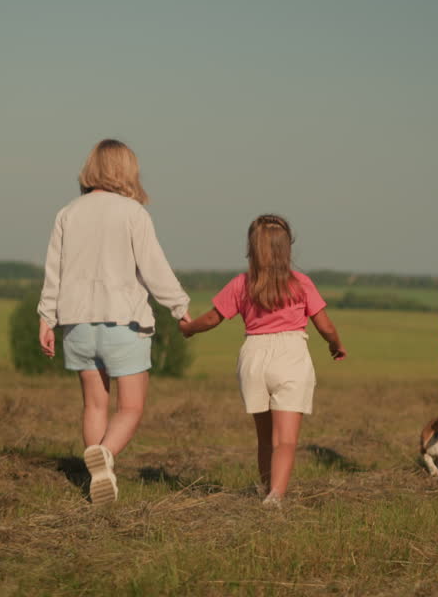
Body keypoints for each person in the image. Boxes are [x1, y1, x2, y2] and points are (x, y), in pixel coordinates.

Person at [37, 139, 191, 505]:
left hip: (76, 324)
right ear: (127, 171)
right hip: (124, 324)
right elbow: (154, 269)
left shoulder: (67, 213)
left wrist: (46, 318)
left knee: (94, 406)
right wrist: (180, 307)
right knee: (131, 408)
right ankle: (105, 456)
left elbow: (53, 271)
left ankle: (96, 477)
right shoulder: (133, 214)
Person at [178, 214, 346, 506]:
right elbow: (326, 326)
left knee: (265, 438)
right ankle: (276, 497)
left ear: (252, 248)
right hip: (290, 355)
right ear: (288, 248)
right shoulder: (302, 284)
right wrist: (336, 345)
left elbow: (212, 318)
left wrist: (189, 329)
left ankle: (267, 488)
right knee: (286, 439)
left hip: (253, 357)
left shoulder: (242, 284)